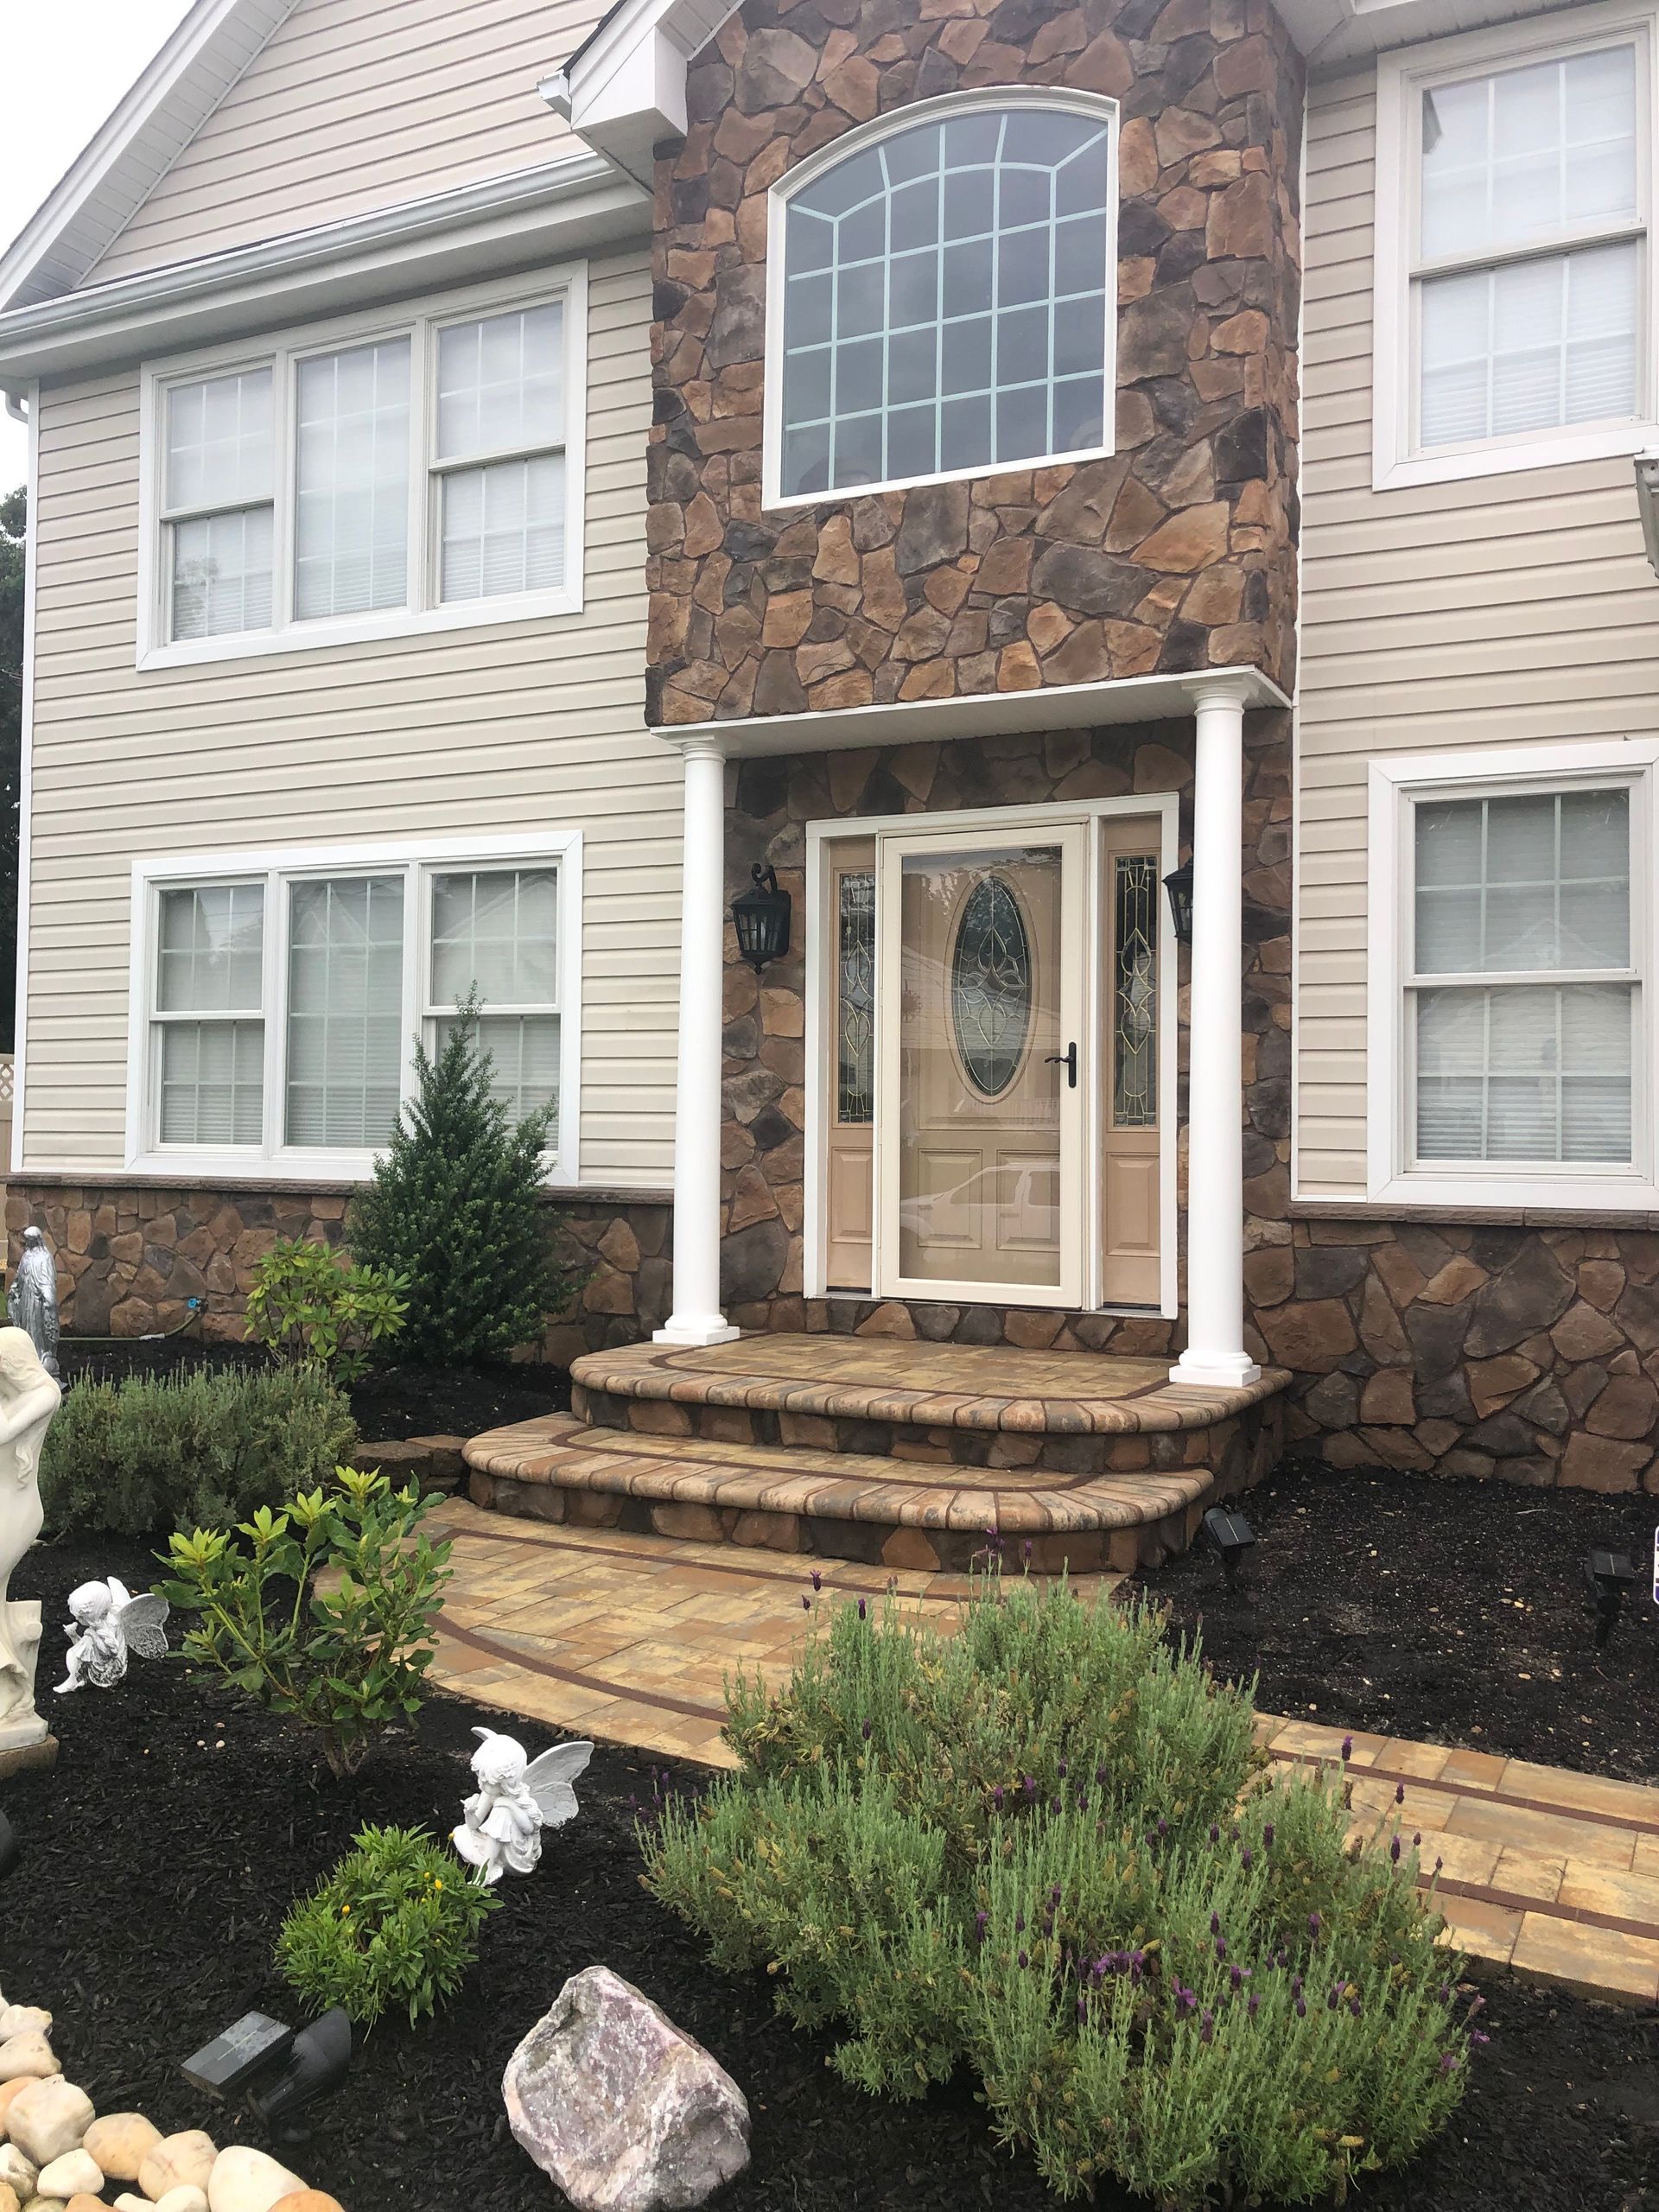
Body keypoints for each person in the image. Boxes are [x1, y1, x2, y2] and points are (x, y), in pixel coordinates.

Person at [0, 1325, 61, 1737]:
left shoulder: (44, 1394)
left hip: (17, 1510)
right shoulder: (8, 1398)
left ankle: (11, 1688)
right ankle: (10, 1690)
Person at [7, 1228, 60, 1380]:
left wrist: (48, 1300)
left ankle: (42, 1357)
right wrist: (14, 1292)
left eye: (30, 1239)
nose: (27, 1242)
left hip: (37, 1303)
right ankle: (28, 1359)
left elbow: (48, 1282)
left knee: (38, 1332)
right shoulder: (26, 1257)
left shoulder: (45, 1257)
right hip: (25, 1302)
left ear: (36, 1239)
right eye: (26, 1239)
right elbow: (19, 1279)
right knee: (26, 1332)